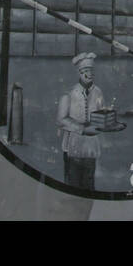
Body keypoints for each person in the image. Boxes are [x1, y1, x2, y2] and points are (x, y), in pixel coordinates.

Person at [57, 52, 106, 191]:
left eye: (91, 71)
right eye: (85, 71)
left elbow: (102, 113)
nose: (88, 74)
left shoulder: (98, 92)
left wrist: (105, 123)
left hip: (90, 147)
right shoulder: (70, 93)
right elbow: (61, 120)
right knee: (72, 182)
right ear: (79, 73)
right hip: (71, 146)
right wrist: (82, 129)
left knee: (89, 182)